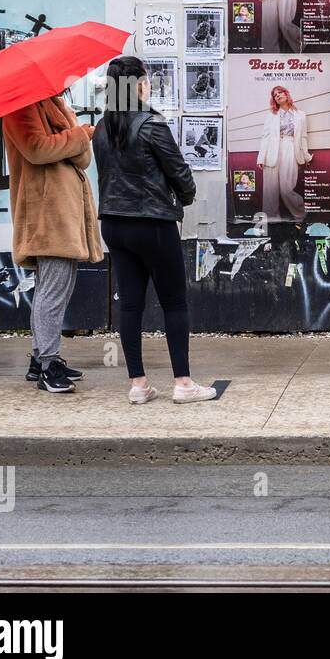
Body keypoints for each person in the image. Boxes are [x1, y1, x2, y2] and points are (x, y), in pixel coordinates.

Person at [93, 56, 215, 405]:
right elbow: (178, 172)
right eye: (146, 80)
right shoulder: (151, 124)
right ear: (137, 85)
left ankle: (138, 385)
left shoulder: (102, 127)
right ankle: (183, 384)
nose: (149, 85)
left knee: (130, 305)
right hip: (152, 223)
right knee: (174, 302)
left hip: (113, 224)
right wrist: (187, 196)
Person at [1, 95, 101, 393]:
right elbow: (37, 149)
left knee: (56, 286)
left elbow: (83, 159)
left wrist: (72, 133)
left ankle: (39, 359)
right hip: (46, 211)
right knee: (53, 290)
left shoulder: (56, 105)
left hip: (64, 210)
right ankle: (48, 364)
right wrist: (80, 134)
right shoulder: (20, 106)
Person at [257, 85, 312, 222]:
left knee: (286, 187)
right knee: (270, 188)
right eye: (275, 95)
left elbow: (303, 137)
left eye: (280, 92)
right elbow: (265, 136)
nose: (278, 95)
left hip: (290, 147)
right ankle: (272, 218)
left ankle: (300, 214)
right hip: (271, 149)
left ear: (286, 94)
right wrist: (261, 157)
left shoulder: (301, 115)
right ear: (274, 100)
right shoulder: (271, 114)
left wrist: (306, 156)